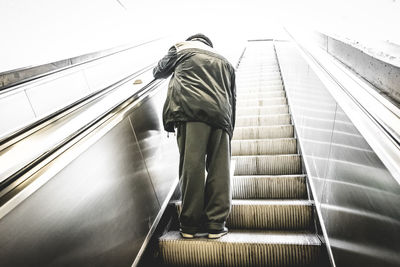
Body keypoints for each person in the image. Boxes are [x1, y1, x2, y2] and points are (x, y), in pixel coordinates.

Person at [153, 33, 236, 239]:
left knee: (192, 166)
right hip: (221, 116)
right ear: (209, 44)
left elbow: (158, 72)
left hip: (189, 112)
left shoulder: (181, 48)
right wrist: (229, 128)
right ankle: (217, 224)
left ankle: (190, 225)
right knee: (220, 169)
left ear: (193, 40)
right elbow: (233, 97)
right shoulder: (225, 60)